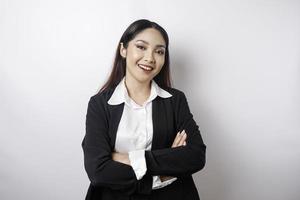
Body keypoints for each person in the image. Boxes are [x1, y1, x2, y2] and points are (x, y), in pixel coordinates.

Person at [81, 19, 206, 200]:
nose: (150, 58)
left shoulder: (175, 100)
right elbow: (98, 171)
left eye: (159, 51)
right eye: (141, 47)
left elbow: (196, 155)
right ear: (123, 49)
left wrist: (128, 158)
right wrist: (163, 172)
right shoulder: (99, 104)